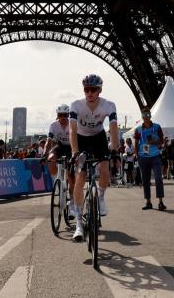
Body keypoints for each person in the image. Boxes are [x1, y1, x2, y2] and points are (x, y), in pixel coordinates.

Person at [68, 73, 120, 242]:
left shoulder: (109, 105)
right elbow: (72, 130)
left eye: (93, 89)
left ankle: (102, 197)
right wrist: (75, 152)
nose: (89, 92)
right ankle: (78, 224)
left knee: (105, 169)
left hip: (98, 138)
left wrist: (115, 149)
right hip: (81, 139)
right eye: (86, 89)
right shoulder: (76, 105)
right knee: (80, 177)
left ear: (100, 90)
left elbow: (113, 128)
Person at [45, 104, 76, 211]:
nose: (62, 117)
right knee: (50, 158)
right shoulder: (53, 125)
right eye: (60, 115)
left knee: (71, 178)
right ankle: (57, 181)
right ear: (57, 115)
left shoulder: (72, 124)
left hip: (71, 147)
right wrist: (44, 155)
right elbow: (48, 141)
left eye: (65, 115)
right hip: (60, 146)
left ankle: (72, 203)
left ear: (68, 115)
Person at [134, 109, 166, 211]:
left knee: (158, 178)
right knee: (145, 180)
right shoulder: (138, 129)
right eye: (144, 115)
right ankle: (148, 202)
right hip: (143, 157)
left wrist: (155, 142)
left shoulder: (157, 127)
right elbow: (136, 142)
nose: (146, 116)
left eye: (148, 114)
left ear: (150, 115)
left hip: (155, 155)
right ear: (142, 117)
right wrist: (137, 155)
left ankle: (160, 202)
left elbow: (161, 140)